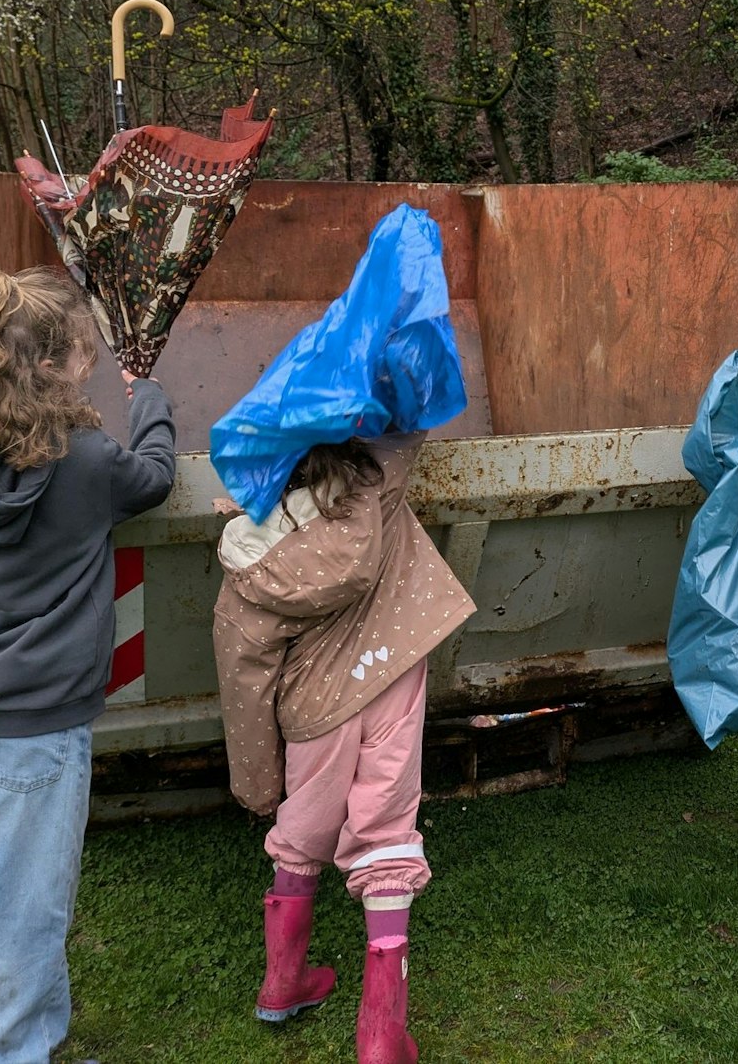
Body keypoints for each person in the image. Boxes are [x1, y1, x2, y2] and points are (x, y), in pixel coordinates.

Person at [0, 266, 176, 1063]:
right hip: (42, 725)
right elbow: (150, 477)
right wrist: (148, 397)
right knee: (23, 909)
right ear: (48, 366)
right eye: (81, 353)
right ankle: (1, 1053)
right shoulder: (85, 465)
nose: (87, 363)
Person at [211, 432, 475, 1062]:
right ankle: (382, 1035)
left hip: (312, 709)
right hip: (391, 677)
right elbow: (406, 429)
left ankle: (282, 982)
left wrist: (256, 784)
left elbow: (243, 685)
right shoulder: (377, 486)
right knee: (384, 828)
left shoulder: (245, 574)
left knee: (303, 822)